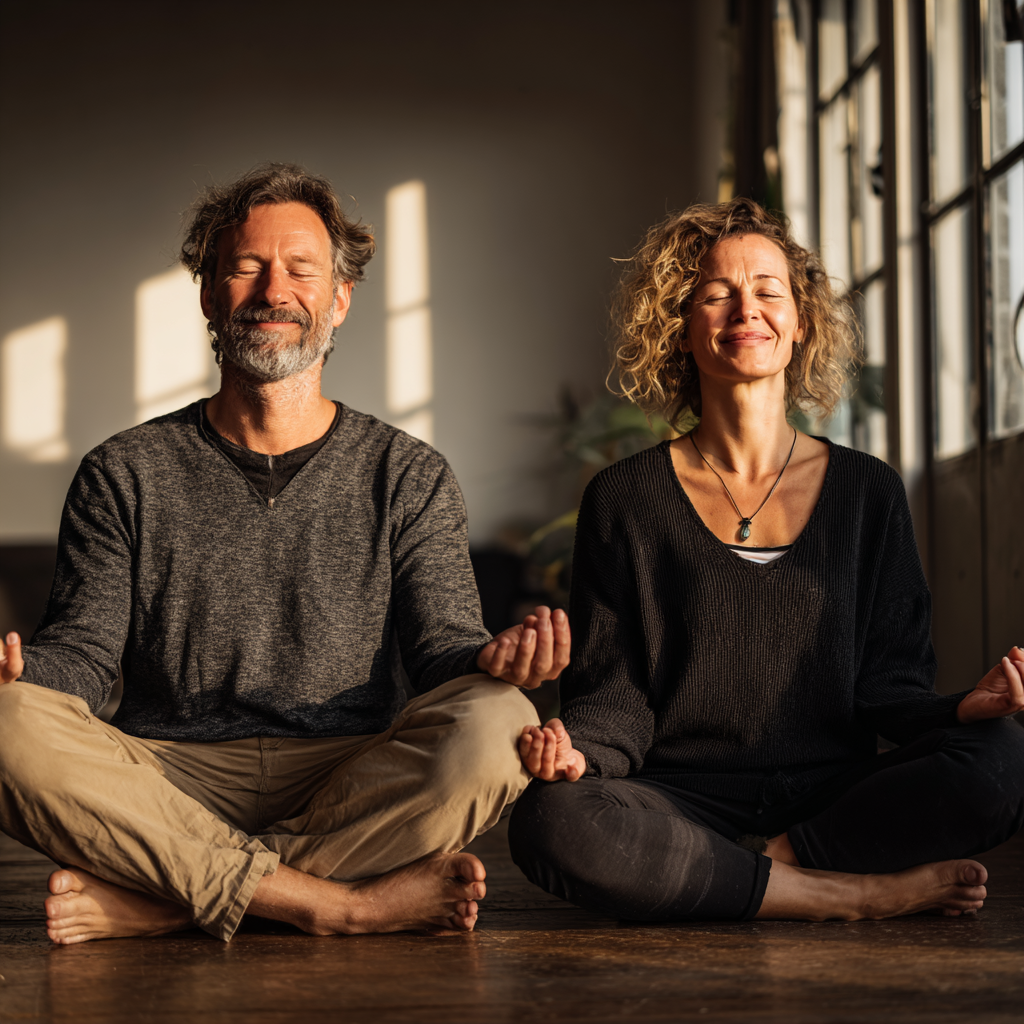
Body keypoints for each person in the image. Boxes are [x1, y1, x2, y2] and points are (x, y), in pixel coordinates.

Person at [0, 163, 568, 945]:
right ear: (208, 294)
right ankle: (332, 904)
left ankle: (173, 902)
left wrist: (495, 663)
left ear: (339, 299)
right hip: (169, 777)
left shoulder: (408, 474)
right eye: (245, 267)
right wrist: (27, 673)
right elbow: (87, 657)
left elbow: (443, 653)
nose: (275, 290)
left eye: (302, 269)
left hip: (349, 772)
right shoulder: (123, 471)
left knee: (500, 723)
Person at [507, 197, 1024, 923]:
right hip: (682, 797)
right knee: (551, 820)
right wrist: (579, 756)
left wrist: (960, 709)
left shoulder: (867, 491)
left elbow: (889, 687)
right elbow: (614, 698)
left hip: (832, 793)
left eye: (767, 291)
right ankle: (845, 893)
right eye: (715, 295)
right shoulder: (625, 497)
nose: (745, 309)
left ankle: (767, 870)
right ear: (682, 331)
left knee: (1003, 757)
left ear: (801, 321)